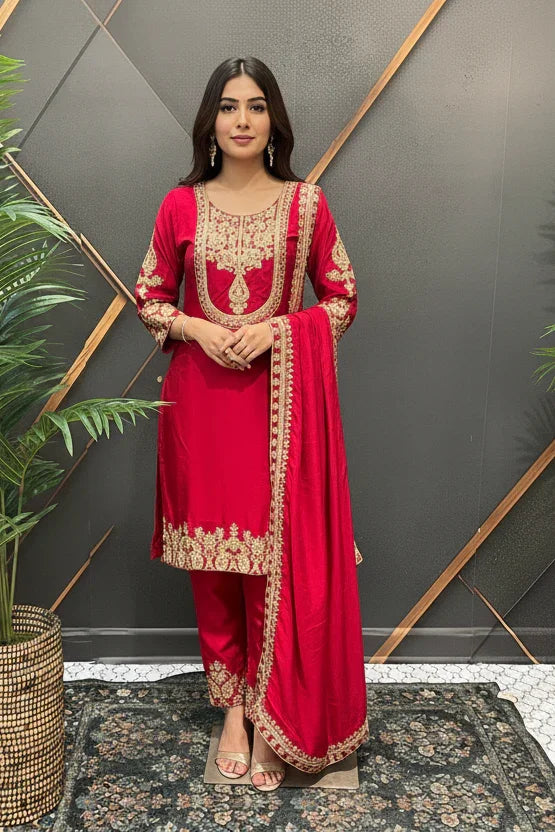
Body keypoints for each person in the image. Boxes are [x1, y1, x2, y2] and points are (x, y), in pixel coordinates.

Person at [135, 56, 368, 792]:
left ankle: (276, 714)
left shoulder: (306, 205)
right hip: (201, 408)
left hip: (279, 408)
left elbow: (341, 298)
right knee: (214, 568)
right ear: (209, 122)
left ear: (274, 121)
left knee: (274, 563)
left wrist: (277, 334)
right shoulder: (180, 206)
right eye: (228, 106)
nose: (241, 119)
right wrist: (198, 331)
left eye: (256, 106)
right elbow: (147, 296)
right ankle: (232, 710)